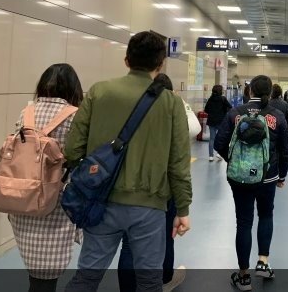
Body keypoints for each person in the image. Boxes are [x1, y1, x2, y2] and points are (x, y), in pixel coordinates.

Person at [64, 31, 192, 291]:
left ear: (126, 60)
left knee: (86, 278)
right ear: (161, 64)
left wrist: (90, 178)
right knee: (148, 282)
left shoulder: (99, 92)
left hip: (101, 202)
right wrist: (183, 209)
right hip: (150, 208)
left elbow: (72, 149)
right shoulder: (171, 104)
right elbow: (178, 164)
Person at [8, 64, 83, 292]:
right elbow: (79, 156)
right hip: (54, 202)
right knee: (46, 273)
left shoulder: (26, 113)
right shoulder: (75, 116)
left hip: (23, 197)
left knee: (37, 272)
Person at [214, 75, 288, 291]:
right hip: (268, 176)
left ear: (250, 91)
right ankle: (263, 263)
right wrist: (282, 175)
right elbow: (286, 148)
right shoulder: (277, 115)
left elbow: (219, 143)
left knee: (244, 221)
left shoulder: (235, 114)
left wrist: (236, 163)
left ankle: (244, 276)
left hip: (241, 179)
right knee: (266, 215)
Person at [117, 73, 192, 292]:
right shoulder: (173, 110)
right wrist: (184, 204)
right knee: (166, 237)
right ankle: (165, 278)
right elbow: (179, 162)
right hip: (163, 189)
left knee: (129, 244)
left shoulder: (132, 109)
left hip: (128, 186)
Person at [204, 84, 232, 162]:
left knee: (212, 139)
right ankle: (219, 154)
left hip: (211, 121)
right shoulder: (223, 99)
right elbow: (230, 107)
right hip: (221, 121)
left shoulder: (210, 99)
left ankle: (210, 156)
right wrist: (225, 111)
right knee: (221, 138)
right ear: (220, 91)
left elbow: (206, 110)